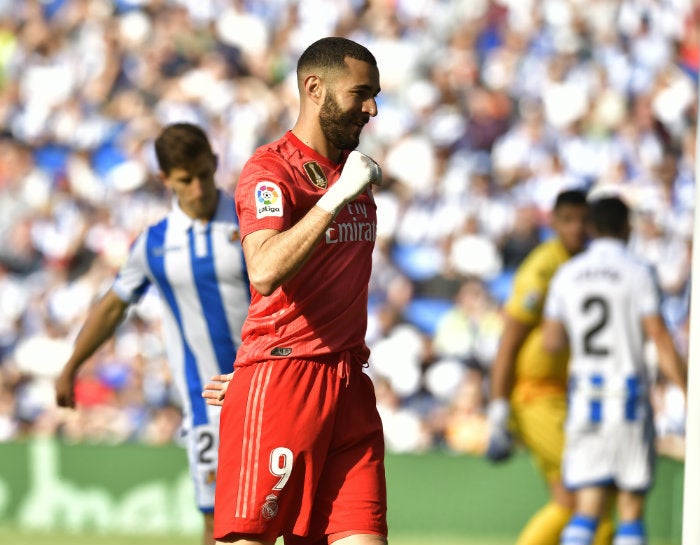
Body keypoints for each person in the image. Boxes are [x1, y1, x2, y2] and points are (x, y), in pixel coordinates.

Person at [202, 37, 386, 545]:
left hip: (349, 383)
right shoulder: (272, 169)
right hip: (286, 378)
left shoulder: (352, 173)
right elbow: (262, 270)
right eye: (361, 93)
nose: (372, 109)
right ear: (314, 88)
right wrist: (263, 375)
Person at [55, 122, 249, 545]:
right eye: (185, 180)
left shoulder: (251, 221)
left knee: (288, 519)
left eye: (203, 174)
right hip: (207, 406)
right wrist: (72, 365)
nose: (197, 188)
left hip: (271, 387)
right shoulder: (155, 244)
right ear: (165, 180)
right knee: (218, 525)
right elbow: (112, 306)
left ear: (215, 164)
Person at [541, 195, 687, 545]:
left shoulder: (567, 274)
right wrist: (687, 388)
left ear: (591, 226)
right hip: (628, 399)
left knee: (587, 507)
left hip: (586, 400)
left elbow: (551, 341)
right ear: (626, 227)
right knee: (631, 507)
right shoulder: (638, 272)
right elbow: (659, 337)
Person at [486, 189, 613, 545]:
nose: (576, 228)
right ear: (554, 223)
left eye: (583, 220)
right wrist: (498, 409)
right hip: (537, 398)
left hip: (567, 396)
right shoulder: (542, 269)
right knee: (596, 490)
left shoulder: (587, 265)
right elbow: (509, 342)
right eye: (568, 220)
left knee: (569, 501)